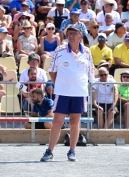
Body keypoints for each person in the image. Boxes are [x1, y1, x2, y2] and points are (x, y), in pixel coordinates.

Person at [40, 24, 95, 162]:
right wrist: (58, 84)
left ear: (80, 36)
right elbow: (52, 70)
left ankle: (72, 151)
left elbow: (91, 71)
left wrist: (90, 84)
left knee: (75, 122)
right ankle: (49, 151)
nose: (70, 35)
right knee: (57, 121)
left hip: (80, 92)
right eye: (69, 33)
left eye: (74, 33)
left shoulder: (87, 52)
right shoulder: (59, 50)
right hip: (62, 92)